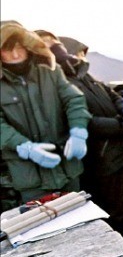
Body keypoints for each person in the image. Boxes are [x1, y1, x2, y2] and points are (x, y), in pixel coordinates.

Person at [57, 35, 123, 242]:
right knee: (114, 202)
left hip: (122, 147)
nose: (82, 56)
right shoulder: (67, 84)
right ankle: (120, 239)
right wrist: (119, 126)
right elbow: (85, 120)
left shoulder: (88, 77)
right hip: (104, 153)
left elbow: (113, 96)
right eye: (78, 52)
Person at [0, 22, 91, 204]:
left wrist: (78, 131)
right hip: (30, 178)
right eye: (8, 50)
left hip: (66, 167)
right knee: (41, 226)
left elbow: (73, 99)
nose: (15, 55)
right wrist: (24, 147)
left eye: (19, 48)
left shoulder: (50, 70)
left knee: (75, 218)